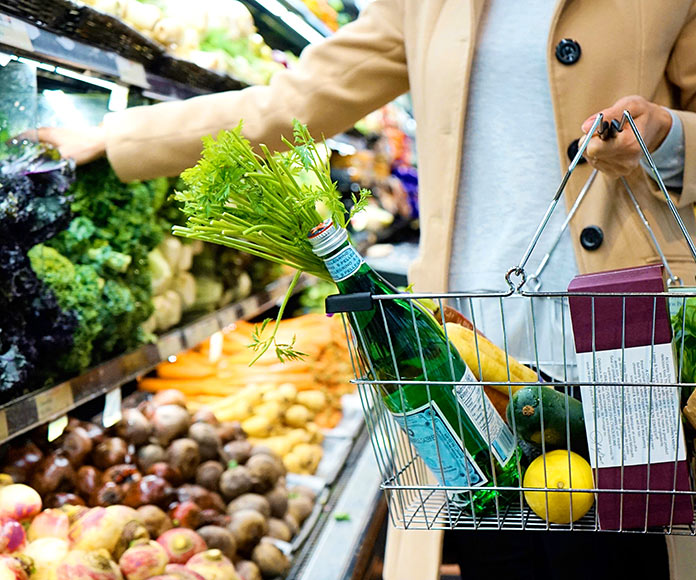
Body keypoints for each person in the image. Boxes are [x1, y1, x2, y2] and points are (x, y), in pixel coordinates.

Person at [36, 1, 696, 578]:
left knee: (617, 556)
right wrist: (117, 138)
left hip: (619, 346)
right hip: (464, 354)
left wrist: (666, 139)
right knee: (501, 556)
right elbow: (291, 103)